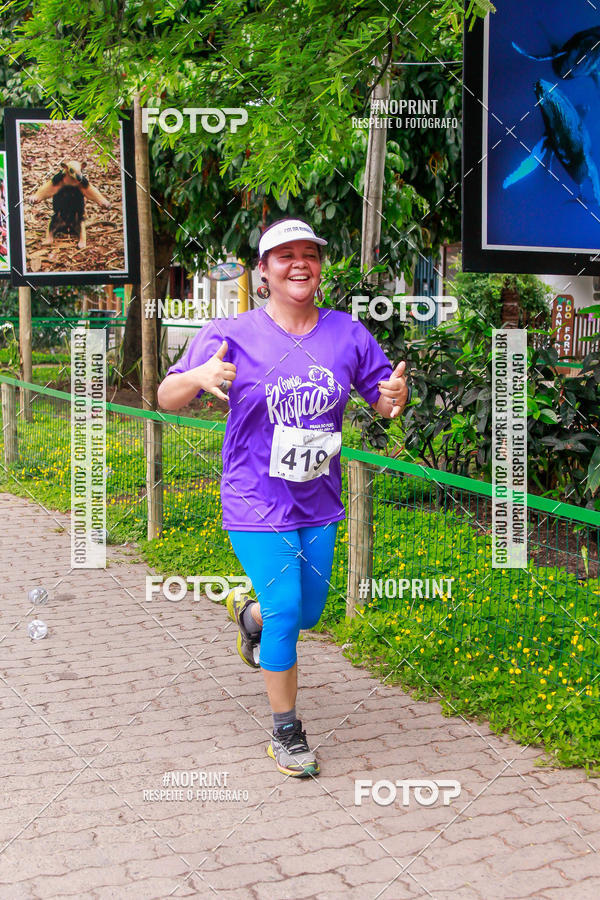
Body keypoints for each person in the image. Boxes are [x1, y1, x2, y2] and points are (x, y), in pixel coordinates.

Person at [157, 217, 409, 778]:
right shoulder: (231, 332)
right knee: (287, 609)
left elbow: (386, 402)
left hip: (318, 499)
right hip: (253, 498)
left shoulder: (347, 333)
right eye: (284, 255)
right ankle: (287, 732)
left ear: (319, 267)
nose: (300, 264)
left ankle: (248, 616)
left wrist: (397, 394)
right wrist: (196, 374)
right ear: (264, 271)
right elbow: (166, 398)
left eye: (309, 255)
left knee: (309, 614)